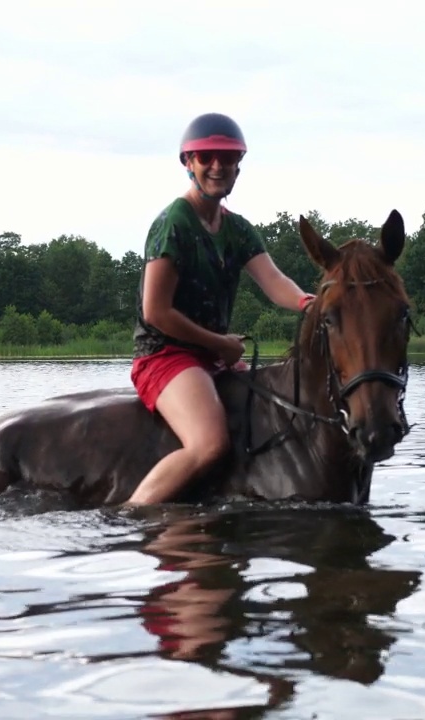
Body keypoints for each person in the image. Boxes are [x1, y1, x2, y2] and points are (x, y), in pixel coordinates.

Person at [125, 112, 315, 506]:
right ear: (188, 163)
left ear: (237, 167)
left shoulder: (238, 228)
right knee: (209, 443)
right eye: (206, 157)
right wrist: (220, 344)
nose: (217, 166)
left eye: (226, 158)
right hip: (164, 356)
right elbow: (155, 312)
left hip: (212, 357)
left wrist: (309, 302)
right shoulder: (174, 224)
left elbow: (274, 281)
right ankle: (131, 515)